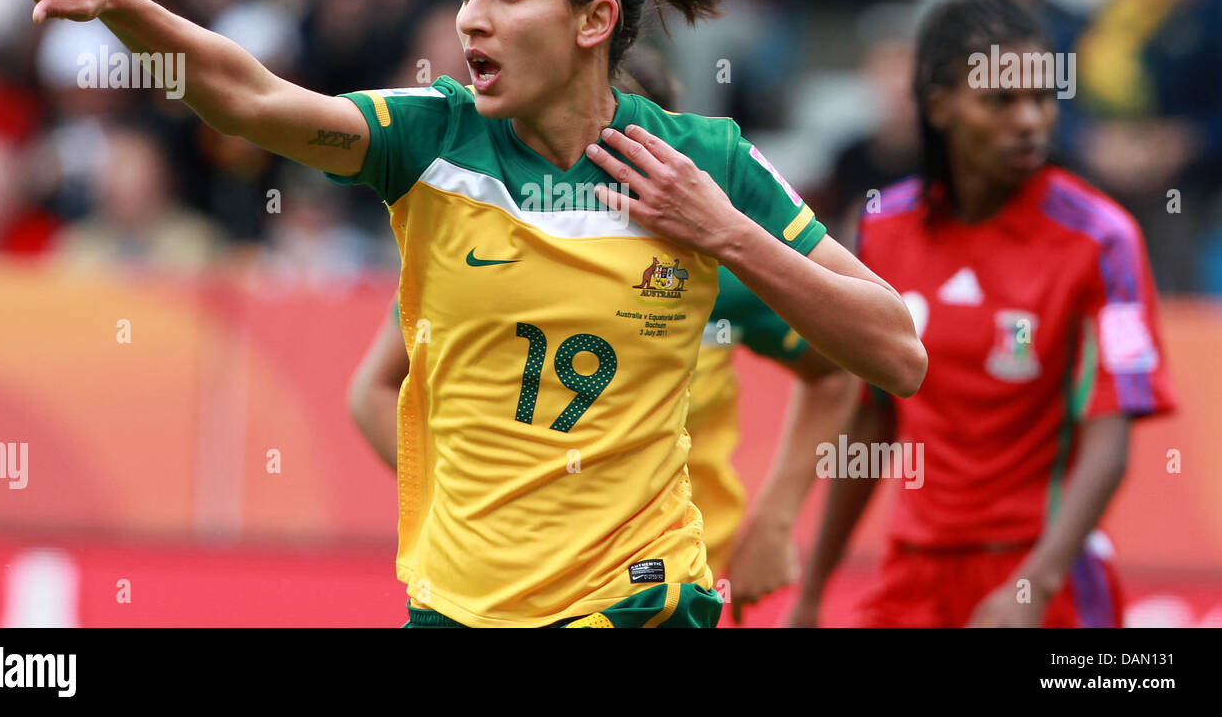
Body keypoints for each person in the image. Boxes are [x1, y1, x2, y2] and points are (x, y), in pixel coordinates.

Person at [11, 0, 925, 628]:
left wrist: (726, 233)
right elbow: (251, 99)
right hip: (457, 605)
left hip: (637, 596)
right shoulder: (430, 139)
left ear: (593, 20)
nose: (470, 17)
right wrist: (118, 4)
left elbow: (896, 351)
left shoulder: (703, 164)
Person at [346, 46, 853, 615]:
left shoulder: (713, 269)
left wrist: (776, 520)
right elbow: (373, 388)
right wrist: (482, 505)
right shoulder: (479, 264)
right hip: (500, 590)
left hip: (663, 584)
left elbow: (839, 369)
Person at [733, 0, 1177, 627]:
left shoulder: (1102, 238)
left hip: (1044, 577)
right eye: (1001, 100)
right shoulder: (883, 228)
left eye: (1042, 97)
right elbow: (873, 423)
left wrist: (1033, 588)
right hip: (913, 574)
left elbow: (1113, 441)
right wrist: (813, 592)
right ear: (939, 107)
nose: (1029, 120)